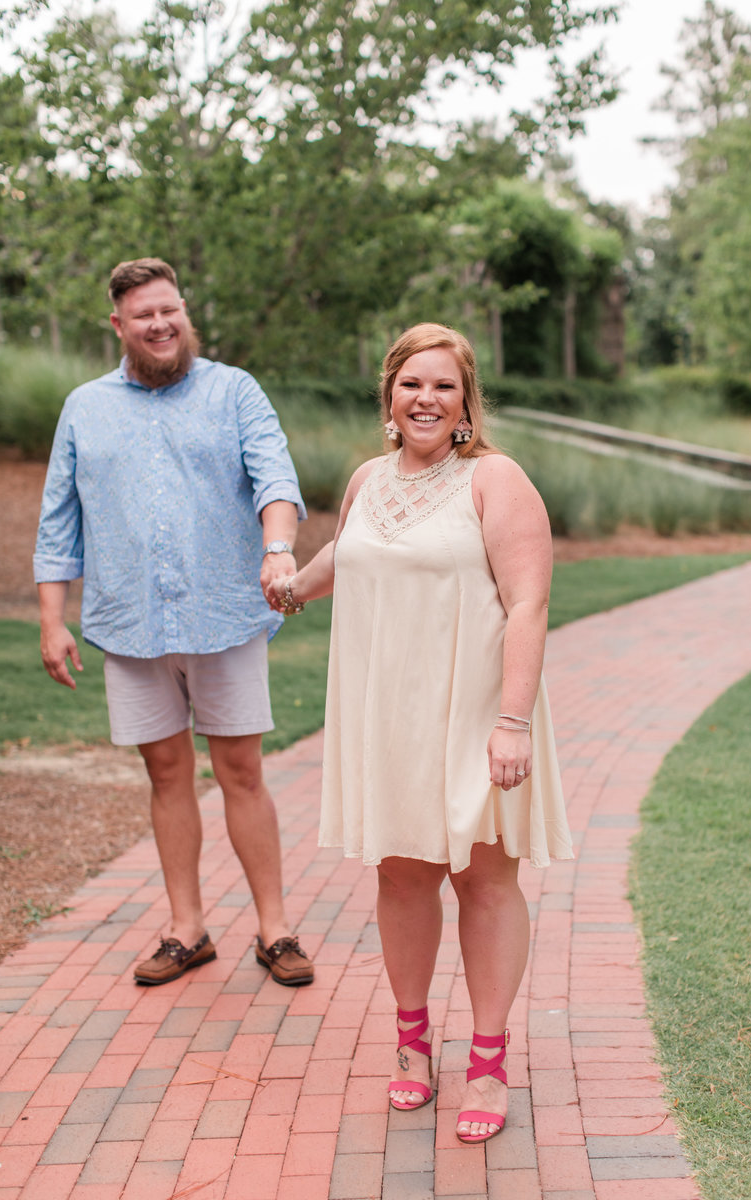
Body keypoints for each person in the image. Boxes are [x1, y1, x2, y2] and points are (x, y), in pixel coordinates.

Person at [266, 323, 572, 1143]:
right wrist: (292, 588)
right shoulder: (368, 478)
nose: (426, 399)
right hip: (387, 713)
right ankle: (410, 1048)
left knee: (484, 881)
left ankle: (488, 1061)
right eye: (411, 385)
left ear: (466, 401)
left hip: (478, 713)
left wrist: (512, 721)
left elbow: (529, 605)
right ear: (389, 397)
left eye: (443, 386)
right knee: (403, 877)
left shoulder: (495, 481)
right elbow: (351, 553)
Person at [34, 257, 314, 988]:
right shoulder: (84, 408)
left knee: (242, 771)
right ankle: (187, 928)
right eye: (143, 315)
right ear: (118, 325)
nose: (160, 325)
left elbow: (276, 479)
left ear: (184, 310)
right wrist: (52, 621)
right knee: (165, 774)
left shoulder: (233, 391)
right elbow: (58, 522)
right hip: (129, 623)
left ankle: (275, 928)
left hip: (224, 614)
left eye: (170, 310)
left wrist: (278, 550)